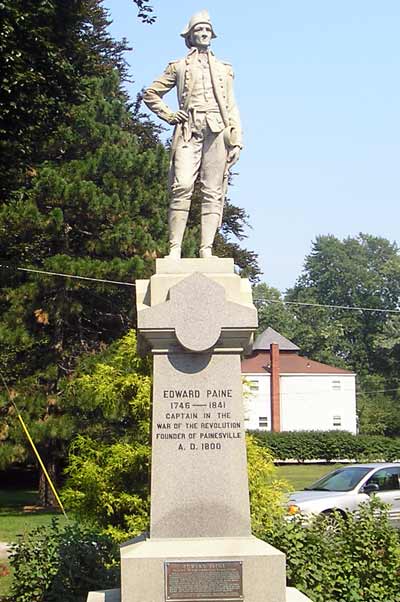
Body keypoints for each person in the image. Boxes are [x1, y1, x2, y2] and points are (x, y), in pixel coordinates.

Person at [143, 10, 242, 258]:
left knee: (213, 190)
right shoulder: (178, 66)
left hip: (218, 130)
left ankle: (206, 249)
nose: (204, 33)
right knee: (182, 185)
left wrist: (237, 140)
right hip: (189, 128)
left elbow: (231, 105)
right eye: (199, 30)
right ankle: (174, 248)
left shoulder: (224, 68)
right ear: (190, 36)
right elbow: (150, 93)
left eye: (207, 30)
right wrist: (169, 114)